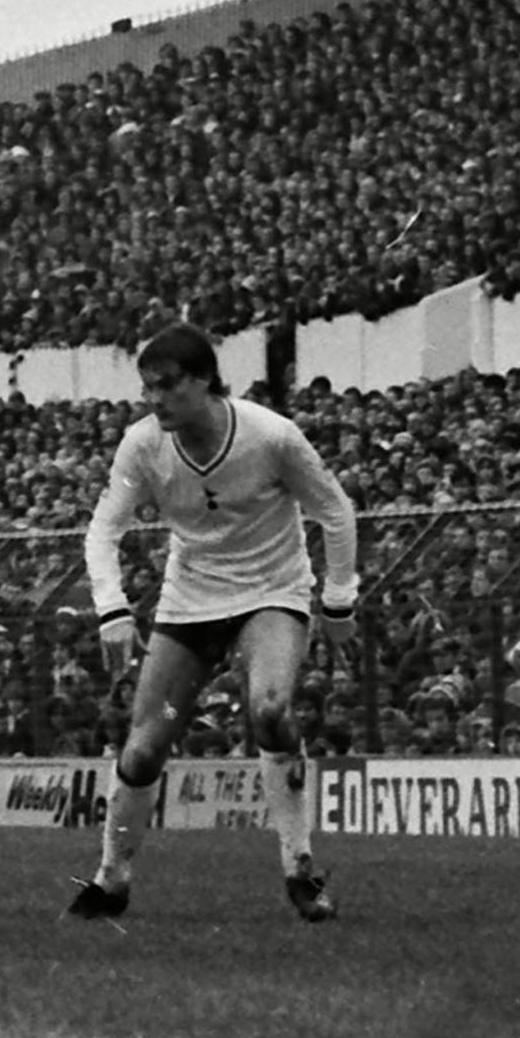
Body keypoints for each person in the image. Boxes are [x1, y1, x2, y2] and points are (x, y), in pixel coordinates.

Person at [67, 323, 359, 923]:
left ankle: (300, 869)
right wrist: (113, 609)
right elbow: (103, 530)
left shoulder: (271, 436)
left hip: (270, 594)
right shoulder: (143, 446)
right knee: (146, 748)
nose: (155, 399)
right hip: (191, 606)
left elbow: (335, 509)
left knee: (270, 707)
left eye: (167, 385)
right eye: (147, 388)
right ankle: (111, 879)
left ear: (203, 379)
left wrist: (338, 599)